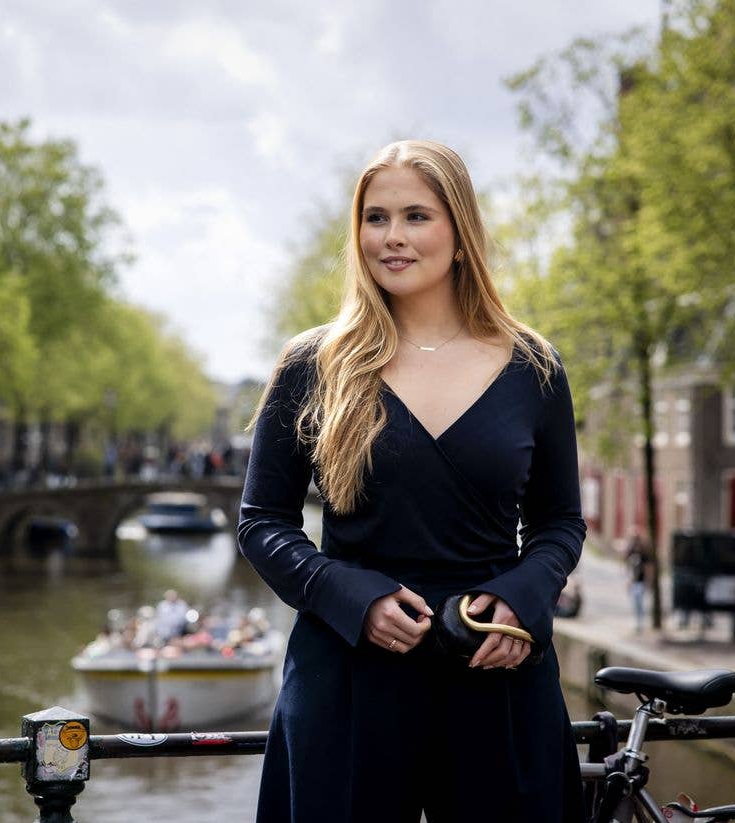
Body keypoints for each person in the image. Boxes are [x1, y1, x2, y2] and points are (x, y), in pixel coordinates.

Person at [238, 140, 586, 822]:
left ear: (460, 233)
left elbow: (560, 523)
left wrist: (517, 600)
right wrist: (351, 596)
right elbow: (261, 523)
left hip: (495, 669)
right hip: (347, 674)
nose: (391, 236)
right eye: (375, 218)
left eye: (416, 216)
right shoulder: (313, 363)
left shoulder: (533, 367)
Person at [625, 529, 650, 633]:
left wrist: (648, 581)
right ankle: (637, 622)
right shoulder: (630, 552)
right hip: (633, 582)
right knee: (634, 602)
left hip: (640, 581)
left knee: (639, 602)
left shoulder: (643, 553)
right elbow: (628, 567)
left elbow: (648, 567)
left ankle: (640, 622)